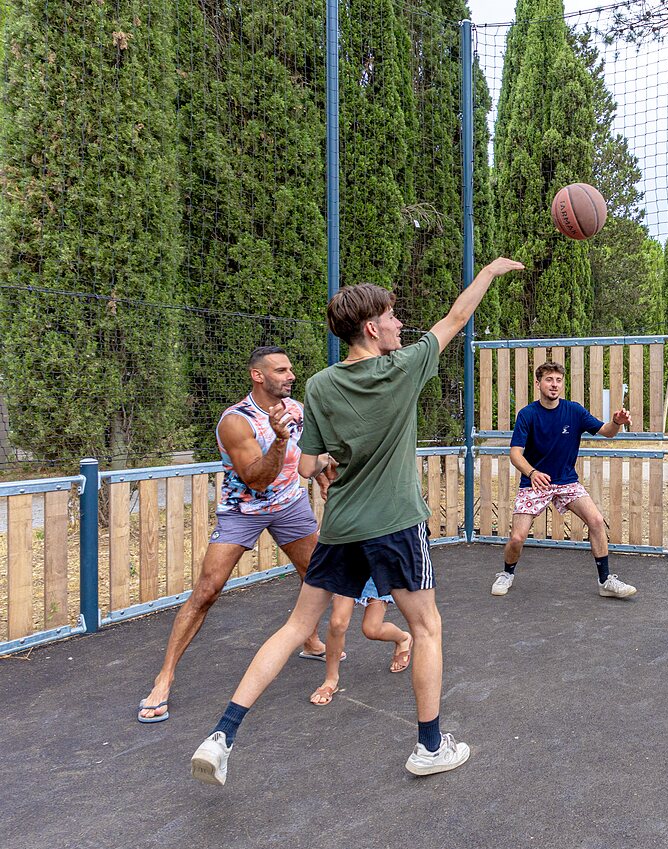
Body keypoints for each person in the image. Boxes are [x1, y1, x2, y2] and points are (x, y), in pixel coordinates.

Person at [189, 257, 525, 785]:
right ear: (371, 327)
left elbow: (306, 466)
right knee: (426, 628)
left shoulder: (320, 385)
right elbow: (457, 319)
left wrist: (318, 451)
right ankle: (429, 747)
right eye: (391, 316)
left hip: (341, 526)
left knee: (296, 627)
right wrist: (488, 272)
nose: (399, 323)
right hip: (395, 523)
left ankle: (221, 736)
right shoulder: (403, 367)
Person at [136, 346, 335, 724]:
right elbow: (257, 479)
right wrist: (278, 440)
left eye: (290, 369)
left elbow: (310, 452)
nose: (291, 376)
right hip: (243, 510)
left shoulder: (297, 410)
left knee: (316, 575)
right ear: (258, 376)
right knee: (207, 591)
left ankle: (309, 639)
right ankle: (164, 679)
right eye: (281, 370)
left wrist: (323, 475)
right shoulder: (236, 421)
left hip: (289, 505)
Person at [490, 361, 637, 598]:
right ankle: (506, 573)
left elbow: (607, 432)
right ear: (538, 383)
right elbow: (515, 453)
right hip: (535, 482)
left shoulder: (574, 411)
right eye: (549, 380)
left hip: (566, 482)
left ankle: (605, 581)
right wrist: (532, 473)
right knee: (517, 538)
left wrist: (617, 422)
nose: (554, 384)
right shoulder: (527, 414)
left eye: (558, 380)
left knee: (596, 521)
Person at [306, 578, 413, 707]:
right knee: (337, 623)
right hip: (347, 569)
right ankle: (331, 680)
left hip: (376, 572)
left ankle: (403, 639)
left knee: (372, 630)